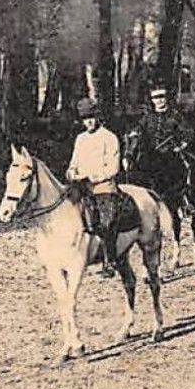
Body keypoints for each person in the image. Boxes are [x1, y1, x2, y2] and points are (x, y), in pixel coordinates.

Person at [67, 97, 129, 273]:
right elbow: (74, 163)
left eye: (92, 117)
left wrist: (93, 177)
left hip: (103, 185)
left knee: (106, 220)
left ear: (98, 117)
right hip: (81, 186)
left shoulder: (109, 137)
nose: (89, 122)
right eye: (86, 119)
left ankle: (109, 260)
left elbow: (113, 167)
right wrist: (71, 172)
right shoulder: (80, 139)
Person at [135, 85, 193, 155]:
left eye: (162, 97)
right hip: (150, 155)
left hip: (171, 155)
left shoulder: (175, 115)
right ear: (151, 100)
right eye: (155, 98)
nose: (159, 100)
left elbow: (188, 132)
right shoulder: (148, 116)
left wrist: (181, 146)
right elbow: (139, 128)